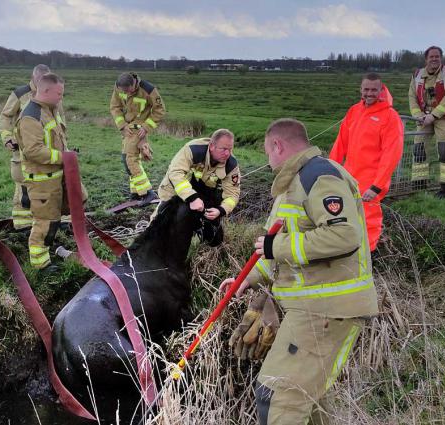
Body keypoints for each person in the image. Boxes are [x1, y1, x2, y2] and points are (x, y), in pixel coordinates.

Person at [220, 118, 378, 424]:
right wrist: (249, 278)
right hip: (313, 308)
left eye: (267, 153)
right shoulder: (292, 185)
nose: (267, 161)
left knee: (278, 396)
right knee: (308, 402)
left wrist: (276, 248)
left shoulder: (318, 177)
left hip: (326, 309)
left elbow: (343, 236)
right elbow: (276, 246)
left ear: (278, 146)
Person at [330, 73, 404, 251]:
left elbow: (391, 154)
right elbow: (341, 143)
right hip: (348, 177)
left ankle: (369, 257)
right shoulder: (354, 111)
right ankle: (349, 252)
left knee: (368, 220)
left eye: (374, 90)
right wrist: (330, 169)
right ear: (361, 89)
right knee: (344, 215)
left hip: (370, 181)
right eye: (366, 89)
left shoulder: (390, 117)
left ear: (381, 90)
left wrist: (377, 186)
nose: (369, 93)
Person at [16, 73, 81, 271]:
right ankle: (40, 265)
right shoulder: (30, 116)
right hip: (42, 182)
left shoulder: (50, 110)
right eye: (59, 93)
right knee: (45, 222)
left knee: (55, 218)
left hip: (56, 178)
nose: (61, 97)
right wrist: (64, 158)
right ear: (45, 91)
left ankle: (48, 250)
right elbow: (33, 150)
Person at [0, 64, 57, 231]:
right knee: (24, 189)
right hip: (23, 150)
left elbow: (59, 121)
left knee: (51, 185)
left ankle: (53, 222)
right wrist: (7, 138)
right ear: (34, 78)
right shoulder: (20, 94)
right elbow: (5, 116)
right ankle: (23, 226)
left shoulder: (52, 94)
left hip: (46, 150)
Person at [408, 45, 445, 198]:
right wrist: (417, 114)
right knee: (419, 149)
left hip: (444, 117)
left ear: (441, 58)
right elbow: (412, 96)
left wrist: (435, 114)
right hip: (424, 117)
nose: (434, 59)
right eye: (431, 57)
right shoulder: (417, 74)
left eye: (437, 56)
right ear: (426, 59)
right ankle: (419, 184)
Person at [154, 128, 241, 221]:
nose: (227, 153)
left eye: (230, 149)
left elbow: (232, 194)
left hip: (204, 190)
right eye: (223, 149)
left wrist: (221, 210)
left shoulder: (231, 165)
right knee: (161, 217)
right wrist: (192, 197)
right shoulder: (193, 149)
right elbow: (175, 172)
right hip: (177, 185)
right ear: (212, 146)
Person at [109, 72, 166, 204]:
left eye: (128, 90)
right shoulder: (118, 87)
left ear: (134, 84)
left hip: (139, 129)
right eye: (124, 91)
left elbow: (160, 110)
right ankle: (135, 192)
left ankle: (148, 192)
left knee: (130, 159)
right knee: (127, 159)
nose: (127, 93)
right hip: (127, 129)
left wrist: (146, 127)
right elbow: (115, 107)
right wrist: (122, 125)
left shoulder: (148, 90)